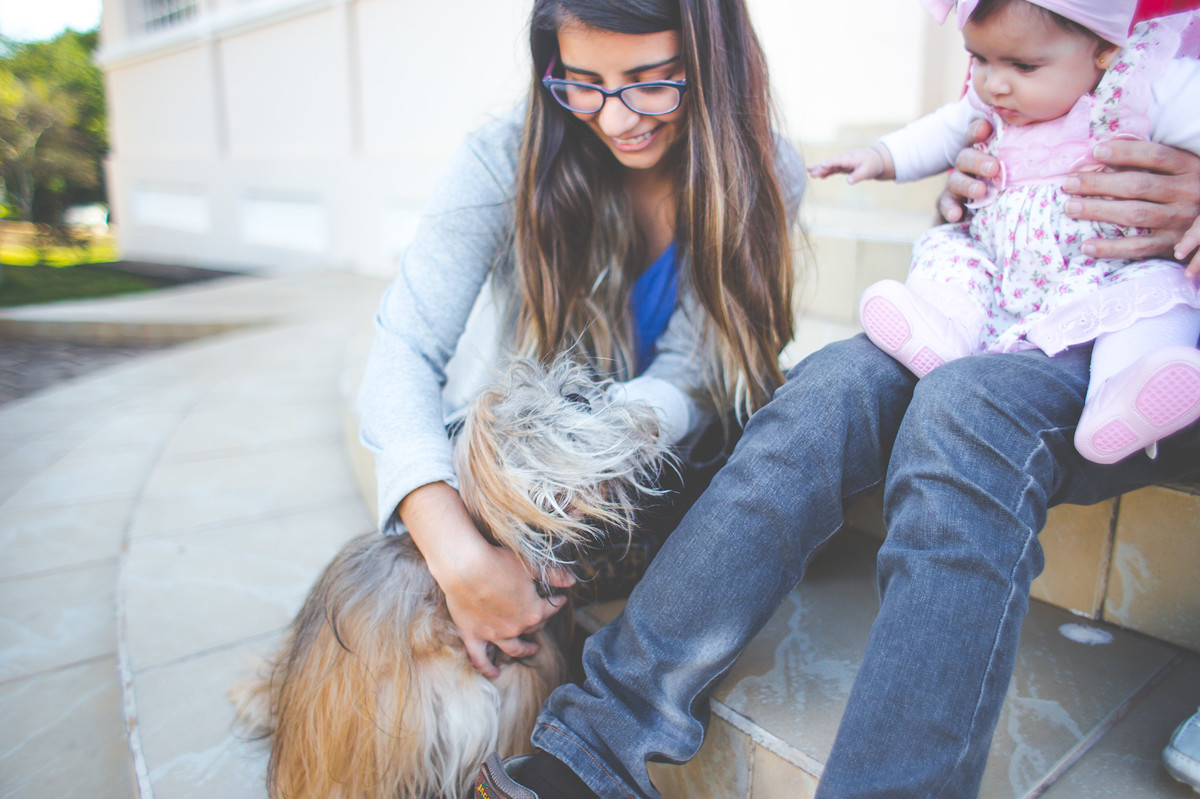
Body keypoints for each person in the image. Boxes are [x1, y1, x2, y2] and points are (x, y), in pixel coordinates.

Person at [474, 21, 1200, 799]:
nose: (994, 78)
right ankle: (592, 748)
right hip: (1010, 299)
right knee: (828, 386)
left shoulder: (1159, 77)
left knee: (967, 409)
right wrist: (984, 200)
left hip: (1131, 329)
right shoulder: (1046, 54)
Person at [357, 0, 804, 682]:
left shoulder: (767, 171)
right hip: (535, 472)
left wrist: (604, 447)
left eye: (652, 81)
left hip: (668, 459)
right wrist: (456, 555)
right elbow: (404, 349)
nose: (617, 120)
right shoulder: (501, 160)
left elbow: (692, 371)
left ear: (713, 58)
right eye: (583, 83)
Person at [808, 0, 1200, 466]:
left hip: (1102, 269)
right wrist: (880, 156)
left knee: (1160, 291)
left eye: (1024, 66)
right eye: (979, 59)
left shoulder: (1142, 86)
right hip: (1000, 266)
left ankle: (1120, 400)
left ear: (1105, 49)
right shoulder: (993, 106)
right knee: (951, 256)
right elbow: (939, 131)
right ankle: (945, 333)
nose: (994, 83)